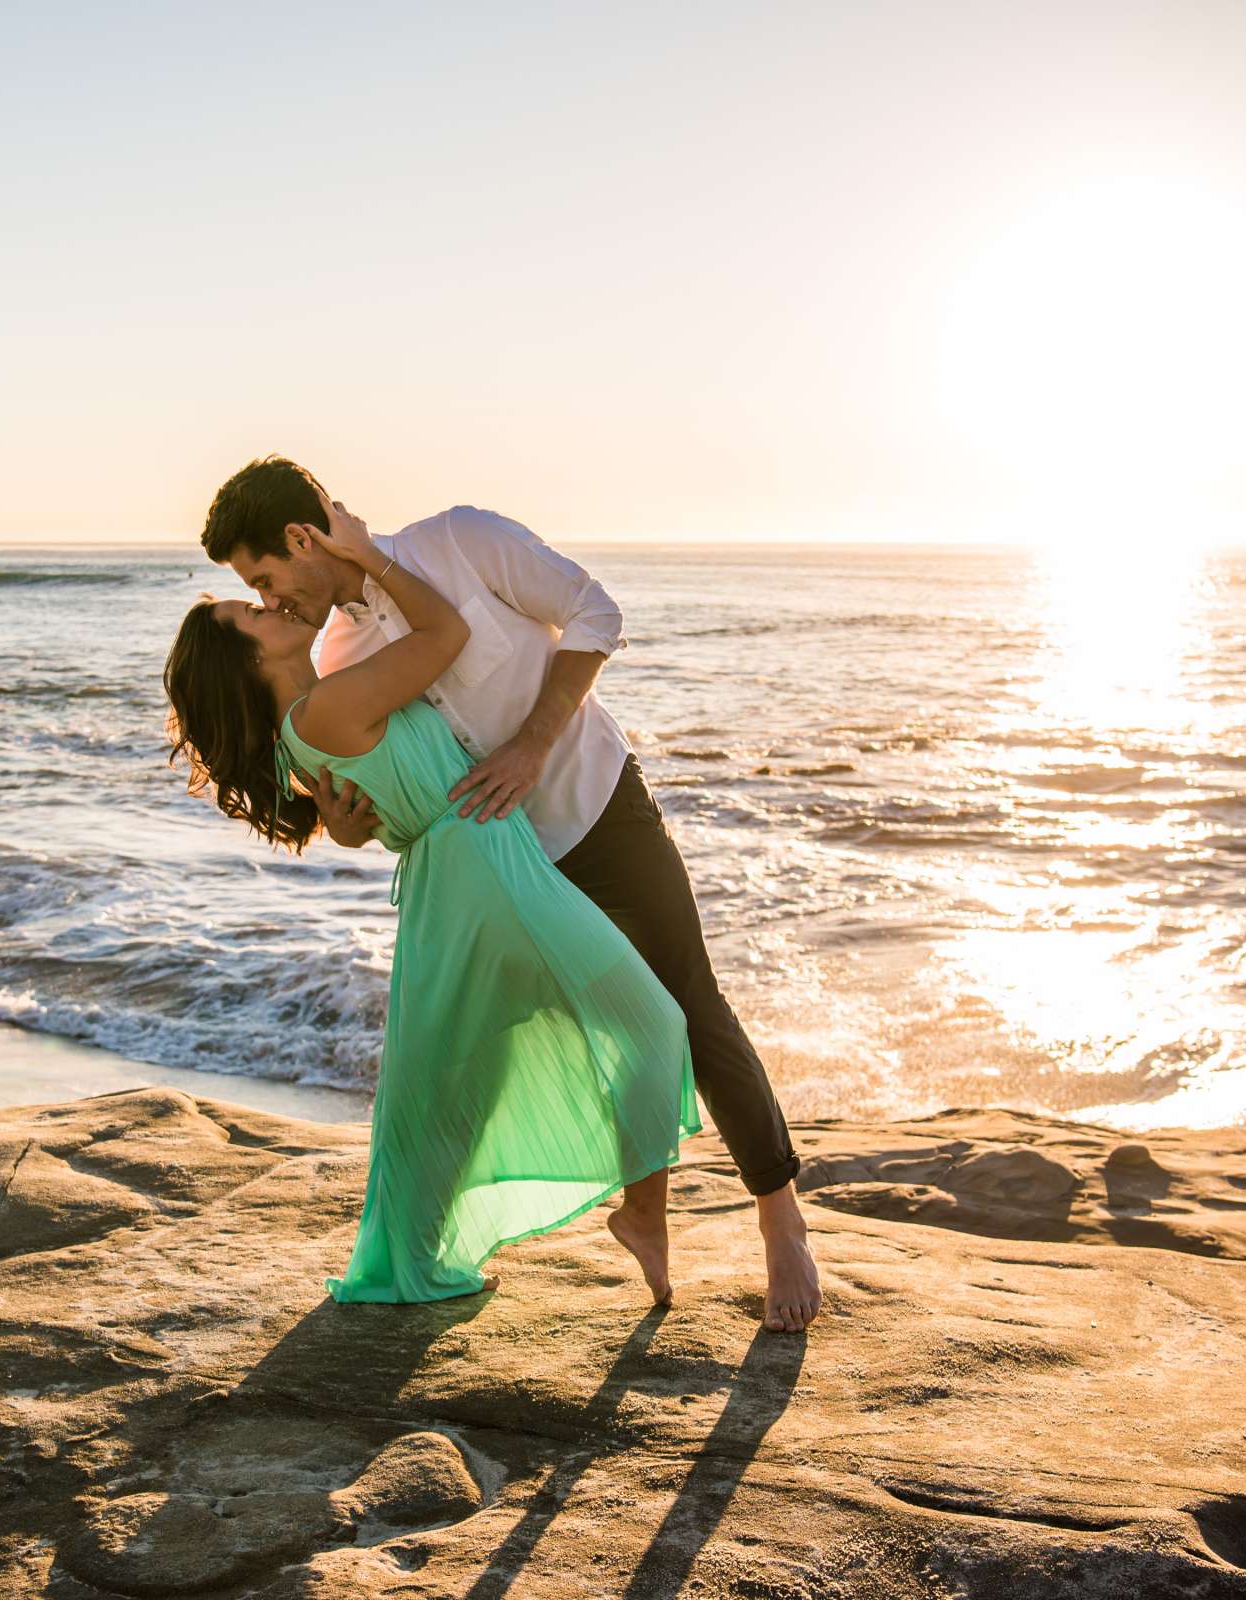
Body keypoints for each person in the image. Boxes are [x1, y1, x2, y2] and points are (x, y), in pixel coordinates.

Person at [201, 455, 821, 1333]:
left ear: (303, 538)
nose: (275, 602)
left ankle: (780, 1221)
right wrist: (346, 824)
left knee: (688, 1003)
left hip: (599, 810)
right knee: (487, 1049)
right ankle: (456, 1243)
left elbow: (596, 614)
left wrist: (532, 743)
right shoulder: (338, 652)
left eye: (266, 577)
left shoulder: (460, 541)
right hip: (505, 863)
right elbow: (388, 790)